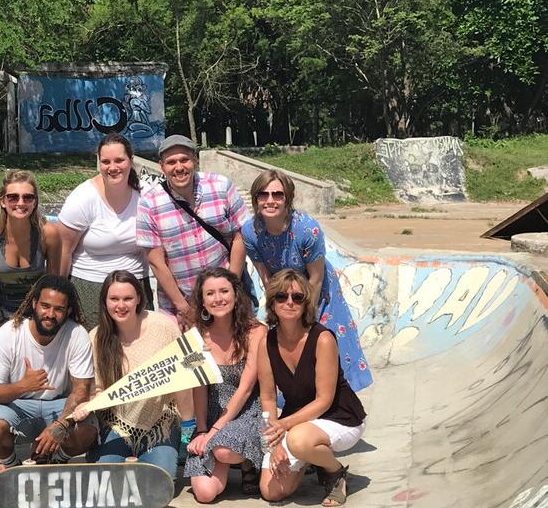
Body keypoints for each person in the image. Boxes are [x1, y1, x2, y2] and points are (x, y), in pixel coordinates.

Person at [242, 169, 372, 392]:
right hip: (283, 293)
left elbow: (316, 277)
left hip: (316, 293)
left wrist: (306, 314)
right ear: (255, 199)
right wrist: (279, 308)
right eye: (263, 195)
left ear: (288, 198)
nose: (270, 200)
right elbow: (265, 276)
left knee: (323, 344)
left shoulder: (306, 229)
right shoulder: (250, 232)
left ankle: (336, 400)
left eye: (277, 195)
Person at [258, 269, 367, 507]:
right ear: (272, 302)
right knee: (272, 491)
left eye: (297, 297)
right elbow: (267, 397)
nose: (289, 302)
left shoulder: (323, 339)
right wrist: (275, 443)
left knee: (299, 441)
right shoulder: (266, 342)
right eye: (281, 296)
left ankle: (335, 472)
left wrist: (283, 427)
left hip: (339, 417)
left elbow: (324, 401)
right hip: (299, 422)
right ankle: (312, 459)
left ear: (306, 303)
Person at [72, 271, 185, 481]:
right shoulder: (96, 338)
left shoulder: (163, 326)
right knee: (102, 480)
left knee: (161, 481)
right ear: (104, 301)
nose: (121, 305)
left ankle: (160, 452)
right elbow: (97, 391)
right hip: (115, 421)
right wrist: (86, 405)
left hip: (159, 422)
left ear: (139, 299)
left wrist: (189, 424)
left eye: (127, 299)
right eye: (114, 299)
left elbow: (187, 371)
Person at [0, 275, 97, 474]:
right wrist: (23, 386)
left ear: (68, 311)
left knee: (88, 429)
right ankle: (10, 464)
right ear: (34, 303)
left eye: (59, 309)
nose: (50, 314)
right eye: (45, 306)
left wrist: (60, 425)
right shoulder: (9, 333)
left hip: (59, 404)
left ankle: (56, 460)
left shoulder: (76, 334)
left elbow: (81, 391)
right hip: (17, 405)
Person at [136, 134, 251, 331]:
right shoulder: (149, 204)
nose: (179, 167)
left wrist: (230, 287)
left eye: (184, 160)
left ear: (195, 161)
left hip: (226, 297)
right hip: (181, 304)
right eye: (171, 162)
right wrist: (182, 307)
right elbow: (156, 261)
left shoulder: (221, 186)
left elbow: (241, 235)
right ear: (162, 166)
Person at [184, 267, 276, 503]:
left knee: (223, 449)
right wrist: (203, 428)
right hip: (213, 415)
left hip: (246, 411)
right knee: (204, 493)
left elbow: (246, 389)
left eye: (224, 291)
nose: (218, 299)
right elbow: (199, 387)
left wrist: (213, 433)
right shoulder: (196, 335)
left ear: (236, 296)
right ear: (202, 301)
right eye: (210, 294)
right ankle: (233, 459)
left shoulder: (256, 332)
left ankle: (249, 461)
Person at [57, 133, 153, 328]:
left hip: (136, 285)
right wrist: (59, 295)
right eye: (106, 162)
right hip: (90, 288)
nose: (113, 167)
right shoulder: (83, 197)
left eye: (119, 160)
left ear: (131, 160)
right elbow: (63, 250)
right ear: (98, 163)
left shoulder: (146, 194)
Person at [0, 170, 60, 338]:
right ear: (3, 201)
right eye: (13, 197)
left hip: (37, 313)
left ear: (35, 202)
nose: (21, 203)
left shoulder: (48, 233)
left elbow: (54, 282)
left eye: (28, 197)